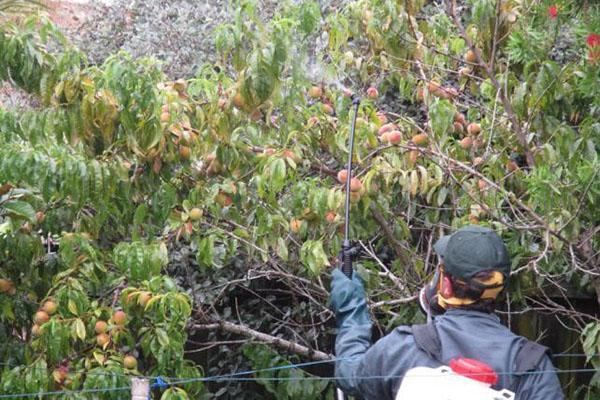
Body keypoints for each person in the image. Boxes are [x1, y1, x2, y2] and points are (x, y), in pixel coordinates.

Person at [330, 225, 564, 400]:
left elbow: (349, 373)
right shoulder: (532, 365)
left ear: (446, 285)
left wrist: (351, 305)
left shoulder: (403, 347)